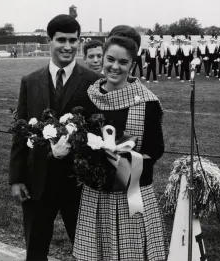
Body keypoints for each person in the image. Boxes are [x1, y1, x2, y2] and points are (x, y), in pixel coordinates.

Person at [9, 14, 101, 261]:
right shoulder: (30, 81)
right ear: (48, 40)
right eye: (62, 40)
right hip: (38, 183)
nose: (68, 46)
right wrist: (16, 179)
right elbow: (21, 134)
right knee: (36, 251)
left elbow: (99, 133)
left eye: (74, 40)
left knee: (87, 253)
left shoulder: (93, 82)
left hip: (78, 186)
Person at [72, 33, 169, 261]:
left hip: (132, 191)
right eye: (110, 59)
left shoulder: (147, 101)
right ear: (103, 59)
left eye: (123, 62)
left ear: (132, 64)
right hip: (97, 192)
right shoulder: (88, 97)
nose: (115, 67)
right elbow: (80, 141)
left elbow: (156, 149)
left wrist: (126, 161)